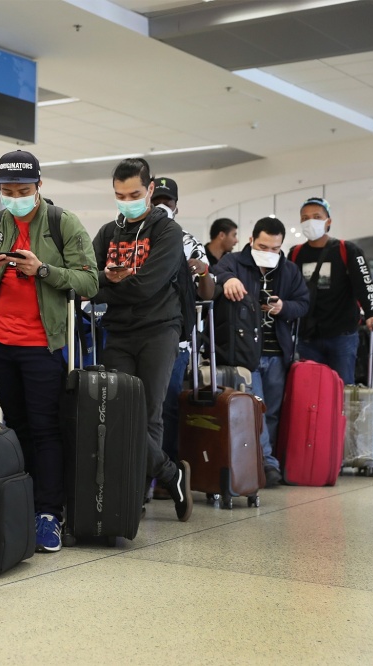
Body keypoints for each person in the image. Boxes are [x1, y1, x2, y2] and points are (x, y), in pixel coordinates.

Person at [0, 149, 98, 552]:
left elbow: (90, 281)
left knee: (46, 429)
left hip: (43, 345)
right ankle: (21, 504)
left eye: (23, 191)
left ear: (39, 186)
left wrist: (42, 270)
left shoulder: (62, 223)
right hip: (0, 343)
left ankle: (48, 513)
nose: (15, 198)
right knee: (15, 426)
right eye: (7, 191)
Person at [90, 158, 193, 523]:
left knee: (148, 413)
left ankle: (138, 491)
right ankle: (170, 473)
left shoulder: (168, 232)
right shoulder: (108, 233)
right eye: (120, 195)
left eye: (134, 194)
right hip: (118, 332)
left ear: (150, 189)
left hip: (159, 330)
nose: (127, 201)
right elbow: (88, 280)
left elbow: (147, 285)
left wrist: (108, 284)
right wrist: (107, 281)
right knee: (119, 412)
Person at [211, 217, 310, 487]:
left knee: (272, 411)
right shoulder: (234, 263)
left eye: (275, 248)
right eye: (263, 247)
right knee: (256, 408)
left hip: (277, 352)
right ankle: (266, 463)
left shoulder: (288, 270)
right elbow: (215, 274)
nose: (268, 253)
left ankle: (265, 460)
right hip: (246, 352)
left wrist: (283, 307)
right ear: (251, 241)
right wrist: (229, 280)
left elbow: (303, 303)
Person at [150, 177, 213, 501]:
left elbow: (208, 292)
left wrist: (202, 270)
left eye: (167, 201)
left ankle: (166, 474)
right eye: (156, 200)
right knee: (142, 407)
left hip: (177, 340)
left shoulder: (188, 241)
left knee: (167, 407)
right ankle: (144, 476)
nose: (162, 206)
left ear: (176, 206)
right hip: (138, 333)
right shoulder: (136, 237)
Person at [290, 196, 373, 386]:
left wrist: (372, 313)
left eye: (317, 217)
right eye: (305, 218)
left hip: (342, 335)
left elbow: (365, 284)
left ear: (328, 221)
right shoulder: (295, 253)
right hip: (307, 336)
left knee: (342, 388)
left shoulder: (346, 249)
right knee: (310, 389)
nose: (310, 222)